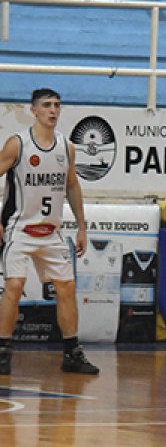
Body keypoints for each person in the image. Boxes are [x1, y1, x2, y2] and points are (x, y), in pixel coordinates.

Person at [0, 88, 99, 376]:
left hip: (51, 231)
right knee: (15, 286)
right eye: (46, 105)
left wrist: (82, 227)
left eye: (56, 105)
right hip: (19, 228)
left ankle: (72, 353)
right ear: (34, 110)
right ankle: (2, 351)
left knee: (66, 288)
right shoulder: (18, 144)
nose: (53, 110)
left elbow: (72, 185)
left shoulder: (66, 147)